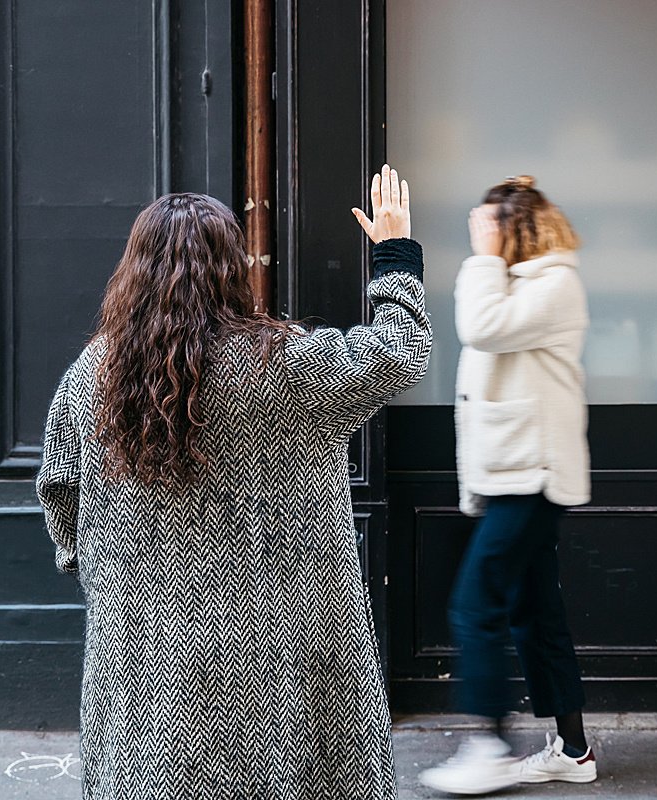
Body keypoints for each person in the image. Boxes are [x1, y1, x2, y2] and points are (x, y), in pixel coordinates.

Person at [37, 166, 430, 799]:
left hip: (146, 650)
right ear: (231, 269)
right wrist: (394, 258)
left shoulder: (90, 377)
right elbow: (399, 354)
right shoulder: (284, 365)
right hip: (279, 645)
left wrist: (85, 558)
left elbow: (58, 492)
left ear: (133, 271)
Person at [419, 175, 594, 795]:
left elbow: (482, 327)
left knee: (475, 604)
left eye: (488, 224)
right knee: (534, 613)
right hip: (516, 474)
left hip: (533, 475)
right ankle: (573, 751)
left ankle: (489, 744)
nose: (477, 233)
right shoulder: (524, 285)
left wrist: (483, 259)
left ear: (512, 230)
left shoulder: (553, 286)